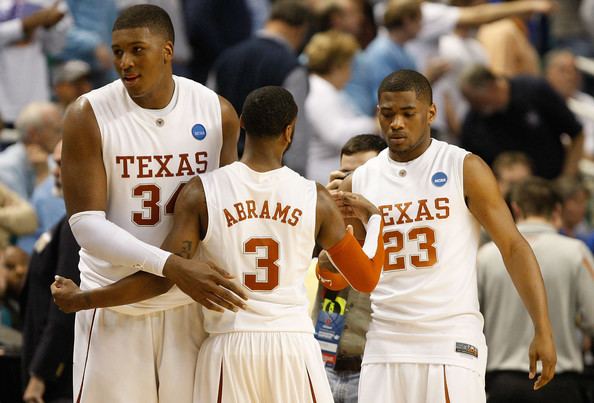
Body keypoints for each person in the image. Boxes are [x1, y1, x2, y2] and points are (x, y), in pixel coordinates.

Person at [53, 86, 386, 402]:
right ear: (290, 131)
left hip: (230, 346)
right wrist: (376, 222)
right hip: (292, 346)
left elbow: (164, 274)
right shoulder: (317, 199)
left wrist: (86, 298)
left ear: (241, 126)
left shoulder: (201, 192)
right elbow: (366, 278)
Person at [60, 5, 246, 402]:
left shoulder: (217, 112)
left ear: (167, 50)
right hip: (117, 301)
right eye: (117, 51)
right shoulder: (87, 114)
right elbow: (86, 227)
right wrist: (172, 266)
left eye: (136, 50)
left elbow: (228, 209)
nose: (125, 62)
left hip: (190, 304)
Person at [336, 69, 556, 402]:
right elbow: (346, 275)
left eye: (408, 114)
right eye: (388, 113)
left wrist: (542, 328)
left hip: (450, 341)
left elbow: (513, 247)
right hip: (384, 343)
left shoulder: (463, 167)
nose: (396, 123)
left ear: (430, 113)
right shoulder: (360, 181)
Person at [478, 177, 594, 403]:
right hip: (561, 382)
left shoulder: (486, 256)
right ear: (557, 209)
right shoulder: (575, 252)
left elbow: (472, 319)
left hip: (502, 383)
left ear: (515, 208)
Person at [313, 133, 386, 403]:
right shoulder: (319, 218)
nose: (351, 185)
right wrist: (322, 209)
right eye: (345, 175)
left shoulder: (391, 227)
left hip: (371, 368)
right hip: (321, 365)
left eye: (360, 175)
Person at [209, 0, 313, 175]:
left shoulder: (226, 58)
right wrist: (297, 177)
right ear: (299, 31)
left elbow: (209, 111)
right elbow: (297, 128)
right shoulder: (291, 66)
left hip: (225, 169)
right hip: (271, 174)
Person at [20, 140, 80, 403]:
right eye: (54, 163)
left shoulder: (76, 226)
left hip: (59, 376)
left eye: (61, 163)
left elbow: (64, 307)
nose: (55, 171)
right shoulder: (67, 220)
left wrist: (39, 375)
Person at [460, 64, 584, 180]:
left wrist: (567, 177)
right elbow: (470, 168)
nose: (475, 106)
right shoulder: (473, 123)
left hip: (552, 181)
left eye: (477, 101)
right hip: (506, 195)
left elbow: (576, 134)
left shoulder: (534, 90)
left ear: (493, 86)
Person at [303, 30, 378, 183]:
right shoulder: (319, 93)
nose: (351, 72)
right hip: (324, 177)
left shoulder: (329, 90)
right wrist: (374, 124)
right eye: (349, 65)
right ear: (337, 66)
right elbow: (337, 134)